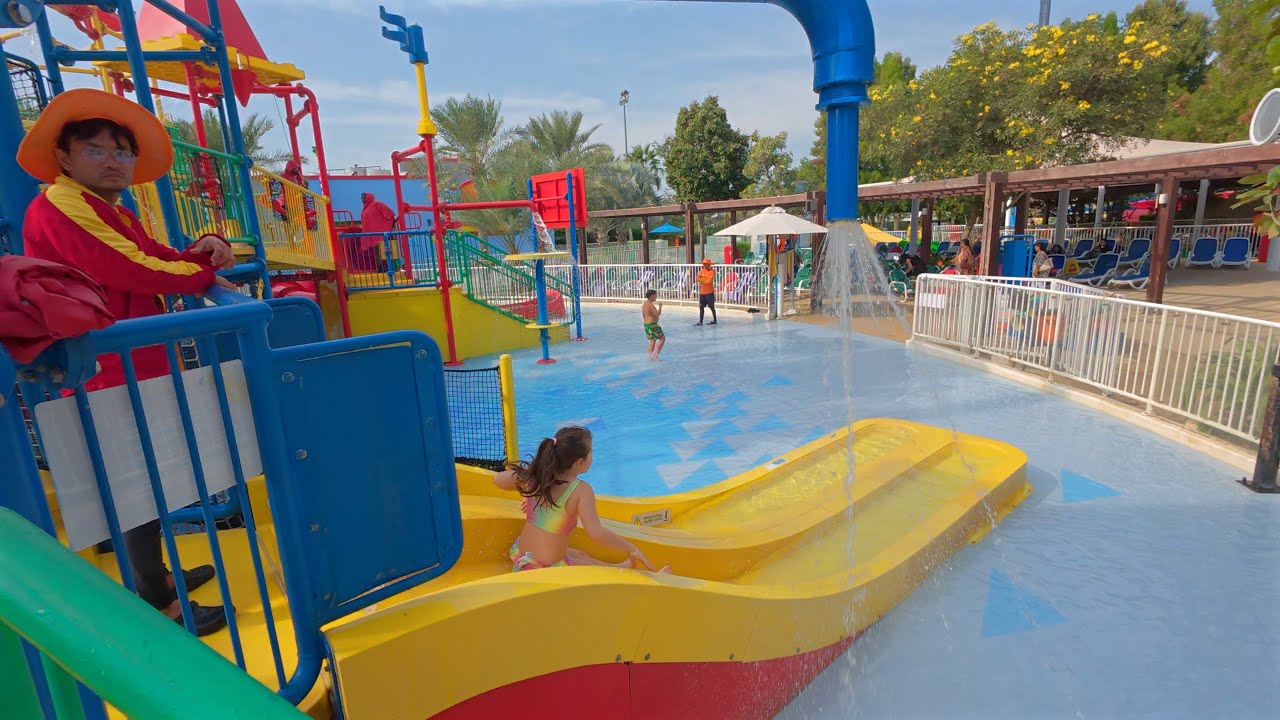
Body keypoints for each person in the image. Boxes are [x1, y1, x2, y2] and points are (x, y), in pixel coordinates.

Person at [17, 88, 236, 636]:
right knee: (135, 484)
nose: (113, 161)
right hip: (106, 368)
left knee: (149, 478)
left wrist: (202, 251)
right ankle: (157, 600)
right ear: (65, 159)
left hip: (130, 363)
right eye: (96, 150)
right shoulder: (60, 206)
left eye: (122, 152)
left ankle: (158, 575)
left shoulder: (105, 206)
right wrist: (205, 275)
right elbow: (132, 268)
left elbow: (155, 255)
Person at [494, 426, 667, 573]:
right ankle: (628, 574)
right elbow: (596, 534)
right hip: (545, 570)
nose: (593, 456)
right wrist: (630, 547)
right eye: (591, 452)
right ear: (579, 462)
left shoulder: (538, 479)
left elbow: (498, 480)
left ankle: (623, 566)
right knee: (586, 566)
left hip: (521, 557)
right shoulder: (580, 491)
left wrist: (530, 478)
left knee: (580, 555)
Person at [358, 191, 397, 272]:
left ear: (368, 197)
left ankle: (388, 267)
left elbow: (390, 213)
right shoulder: (365, 209)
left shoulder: (377, 204)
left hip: (381, 233)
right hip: (372, 234)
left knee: (384, 250)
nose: (362, 199)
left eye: (364, 197)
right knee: (376, 252)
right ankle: (380, 268)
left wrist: (389, 226)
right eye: (362, 198)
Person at [642, 289, 665, 360]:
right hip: (652, 325)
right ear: (652, 296)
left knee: (652, 340)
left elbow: (644, 315)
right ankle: (655, 354)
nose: (656, 297)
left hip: (647, 325)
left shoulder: (645, 304)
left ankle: (650, 356)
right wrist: (660, 307)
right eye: (655, 295)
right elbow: (657, 314)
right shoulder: (650, 304)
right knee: (662, 338)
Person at [695, 258, 717, 325]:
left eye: (706, 264)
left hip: (709, 292)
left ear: (709, 265)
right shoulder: (702, 271)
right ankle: (700, 321)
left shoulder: (712, 271)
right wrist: (705, 279)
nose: (705, 265)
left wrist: (702, 279)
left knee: (711, 307)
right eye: (704, 264)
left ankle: (715, 320)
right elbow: (697, 279)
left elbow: (709, 282)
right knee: (701, 307)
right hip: (702, 292)